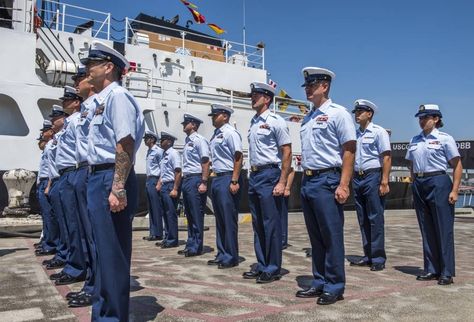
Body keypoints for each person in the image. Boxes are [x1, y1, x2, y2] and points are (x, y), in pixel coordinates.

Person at [81, 40, 145, 321]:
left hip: (111, 176)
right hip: (98, 176)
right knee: (100, 253)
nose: (86, 70)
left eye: (90, 64)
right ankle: (102, 314)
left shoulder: (117, 97)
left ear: (108, 67)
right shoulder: (101, 99)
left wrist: (117, 186)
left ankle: (113, 317)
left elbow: (125, 143)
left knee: (112, 254)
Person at [296, 67, 356, 305]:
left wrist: (344, 184)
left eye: (312, 85)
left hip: (327, 180)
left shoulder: (338, 113)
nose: (308, 90)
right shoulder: (307, 118)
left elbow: (349, 150)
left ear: (325, 86)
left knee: (331, 236)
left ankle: (335, 285)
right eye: (307, 86)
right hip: (308, 180)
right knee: (316, 237)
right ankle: (319, 281)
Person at [405, 104, 462, 286]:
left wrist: (454, 189)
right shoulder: (415, 139)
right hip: (420, 183)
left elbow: (457, 165)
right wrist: (414, 180)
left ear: (436, 119)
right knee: (426, 227)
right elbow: (411, 162)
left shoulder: (445, 139)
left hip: (438, 181)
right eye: (420, 118)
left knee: (443, 228)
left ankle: (446, 271)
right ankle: (431, 268)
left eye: (425, 118)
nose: (422, 121)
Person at [242, 82, 292, 284]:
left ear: (267, 98)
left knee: (271, 224)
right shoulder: (254, 122)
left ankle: (273, 268)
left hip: (270, 174)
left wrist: (282, 182)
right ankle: (262, 264)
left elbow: (287, 151)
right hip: (254, 176)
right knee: (258, 224)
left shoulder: (276, 121)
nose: (253, 97)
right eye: (252, 94)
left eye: (257, 95)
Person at [66, 65, 98, 308]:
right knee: (82, 232)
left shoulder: (101, 104)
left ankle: (95, 285)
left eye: (80, 78)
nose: (77, 82)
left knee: (92, 234)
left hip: (90, 170)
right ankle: (89, 279)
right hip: (80, 170)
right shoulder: (84, 111)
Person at [350, 99, 391, 271]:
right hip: (357, 177)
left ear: (369, 113)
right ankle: (367, 255)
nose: (357, 115)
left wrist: (384, 181)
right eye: (356, 112)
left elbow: (387, 157)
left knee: (375, 218)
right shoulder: (354, 134)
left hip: (372, 176)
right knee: (362, 218)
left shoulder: (378, 132)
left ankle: (378, 258)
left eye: (360, 111)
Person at [53, 85, 87, 286]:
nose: (64, 102)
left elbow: (79, 149)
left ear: (76, 101)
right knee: (67, 224)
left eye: (68, 99)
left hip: (74, 172)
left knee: (75, 225)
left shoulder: (76, 121)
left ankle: (77, 267)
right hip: (65, 175)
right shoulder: (69, 123)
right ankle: (71, 263)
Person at [207, 104, 243, 268]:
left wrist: (234, 180)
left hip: (228, 177)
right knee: (220, 219)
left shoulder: (230, 133)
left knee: (228, 219)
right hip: (217, 178)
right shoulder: (216, 134)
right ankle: (222, 253)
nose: (213, 118)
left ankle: (231, 256)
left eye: (216, 115)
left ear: (225, 116)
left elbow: (238, 157)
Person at [41, 105, 70, 274]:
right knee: (60, 221)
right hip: (56, 181)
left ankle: (65, 255)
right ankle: (62, 253)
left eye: (54, 119)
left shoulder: (62, 137)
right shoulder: (55, 140)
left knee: (67, 223)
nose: (52, 123)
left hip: (65, 178)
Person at [179, 114, 210, 257]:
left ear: (194, 125)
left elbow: (205, 161)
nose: (183, 125)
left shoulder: (199, 140)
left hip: (196, 178)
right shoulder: (187, 141)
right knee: (189, 214)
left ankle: (197, 246)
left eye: (186, 123)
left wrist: (204, 181)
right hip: (187, 179)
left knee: (196, 213)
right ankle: (190, 243)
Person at [35, 120, 58, 254]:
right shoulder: (47, 147)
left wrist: (48, 185)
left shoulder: (52, 145)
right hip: (43, 182)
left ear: (50, 132)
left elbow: (52, 168)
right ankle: (47, 241)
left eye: (45, 131)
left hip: (48, 182)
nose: (42, 134)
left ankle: (51, 244)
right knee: (45, 214)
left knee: (50, 215)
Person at [156, 132, 182, 249]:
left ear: (169, 142)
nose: (161, 142)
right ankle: (167, 237)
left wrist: (175, 188)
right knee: (164, 213)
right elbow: (163, 172)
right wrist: (160, 183)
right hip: (164, 185)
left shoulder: (173, 153)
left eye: (163, 140)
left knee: (170, 213)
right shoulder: (164, 154)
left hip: (171, 185)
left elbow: (177, 171)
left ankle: (172, 239)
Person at [143, 130, 164, 242]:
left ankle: (158, 233)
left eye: (147, 138)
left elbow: (162, 168)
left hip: (155, 180)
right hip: (149, 180)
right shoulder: (149, 151)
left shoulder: (158, 151)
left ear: (152, 139)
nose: (145, 140)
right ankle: (153, 232)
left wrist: (159, 183)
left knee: (156, 207)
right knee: (151, 208)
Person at [282, 166, 295, 249]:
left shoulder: (284, 155)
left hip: (283, 188)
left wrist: (287, 188)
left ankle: (282, 241)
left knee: (282, 216)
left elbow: (291, 170)